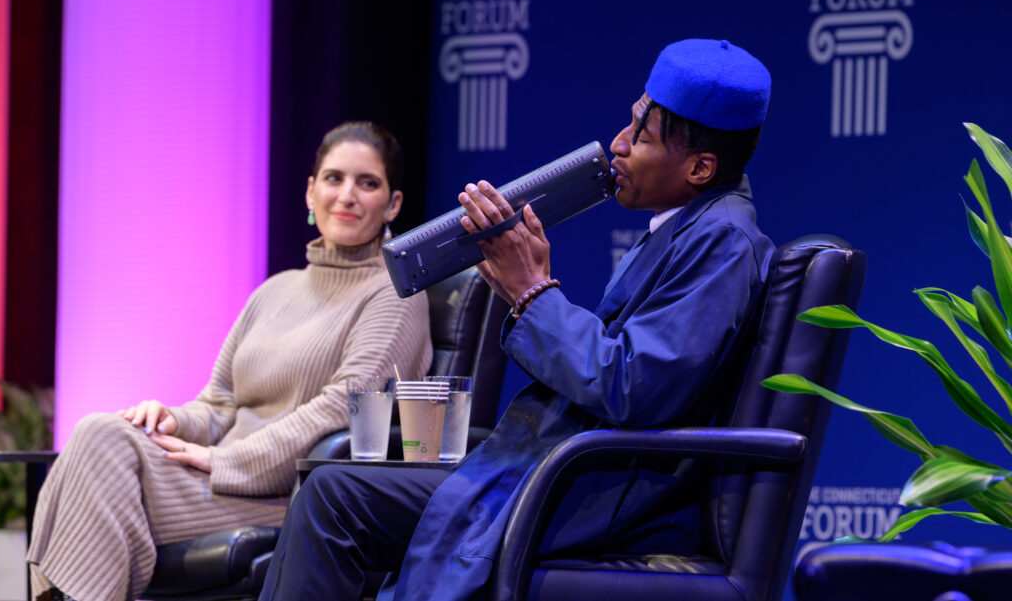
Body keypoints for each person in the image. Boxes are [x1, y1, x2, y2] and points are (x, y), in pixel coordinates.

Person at [258, 38, 777, 601]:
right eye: (630, 123)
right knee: (330, 491)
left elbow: (635, 387)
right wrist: (527, 289)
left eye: (643, 137)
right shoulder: (688, 229)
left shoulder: (722, 242)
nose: (619, 144)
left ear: (701, 167)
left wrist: (534, 293)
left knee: (335, 497)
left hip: (607, 491)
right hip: (570, 469)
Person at [27, 121, 434, 601]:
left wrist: (226, 460)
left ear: (393, 204)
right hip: (215, 474)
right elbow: (220, 404)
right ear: (310, 192)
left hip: (287, 495)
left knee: (100, 455)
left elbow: (343, 408)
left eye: (367, 183)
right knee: (103, 429)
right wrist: (175, 420)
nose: (347, 195)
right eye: (333, 178)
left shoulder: (395, 293)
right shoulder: (275, 290)